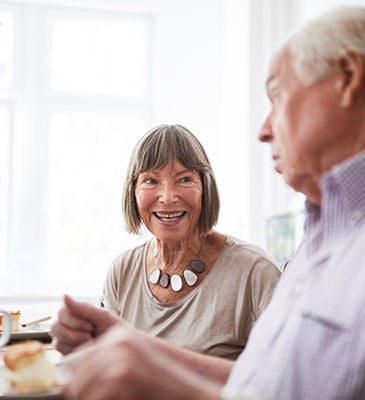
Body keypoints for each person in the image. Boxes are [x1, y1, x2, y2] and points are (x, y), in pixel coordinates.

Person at [57, 6, 365, 399]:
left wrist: (159, 378)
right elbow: (260, 385)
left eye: (277, 96)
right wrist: (129, 346)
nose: (264, 130)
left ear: (348, 78)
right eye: (150, 181)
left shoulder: (260, 268)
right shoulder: (318, 238)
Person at [52, 124, 280, 361]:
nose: (168, 197)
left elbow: (278, 381)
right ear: (133, 192)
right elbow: (107, 366)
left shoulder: (255, 271)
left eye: (184, 179)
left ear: (205, 187)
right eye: (151, 181)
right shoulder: (122, 271)